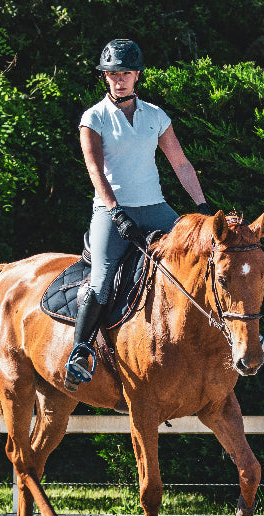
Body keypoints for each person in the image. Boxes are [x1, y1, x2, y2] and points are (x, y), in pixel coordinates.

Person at [64, 38, 211, 392]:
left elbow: (181, 163)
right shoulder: (93, 118)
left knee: (206, 252)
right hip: (111, 211)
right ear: (105, 77)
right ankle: (79, 352)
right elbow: (95, 171)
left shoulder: (156, 116)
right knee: (101, 278)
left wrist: (203, 207)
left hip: (156, 207)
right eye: (113, 73)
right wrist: (115, 212)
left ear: (137, 75)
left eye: (126, 72)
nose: (119, 79)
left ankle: (229, 331)